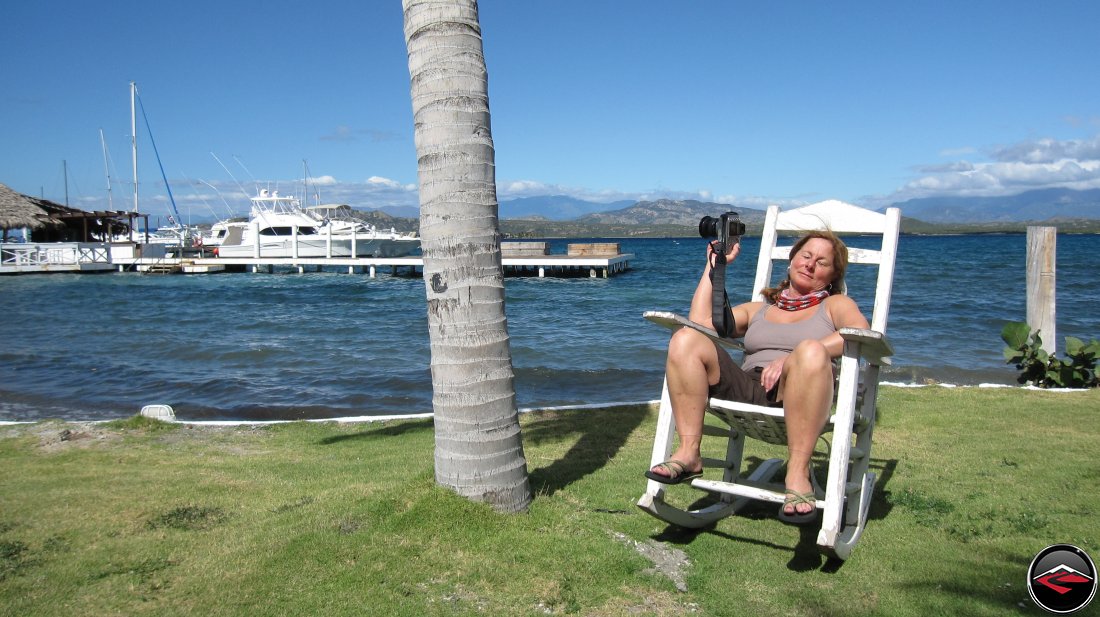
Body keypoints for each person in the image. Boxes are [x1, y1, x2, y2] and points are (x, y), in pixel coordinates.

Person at [645, 230, 869, 524]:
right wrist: (714, 266)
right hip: (749, 385)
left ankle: (797, 473)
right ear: (791, 261)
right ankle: (689, 453)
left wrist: (792, 358)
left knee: (812, 351)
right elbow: (700, 323)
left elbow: (860, 334)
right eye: (805, 255)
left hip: (800, 393)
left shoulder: (836, 305)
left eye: (822, 262)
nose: (811, 264)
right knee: (685, 338)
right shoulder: (760, 309)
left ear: (833, 275)